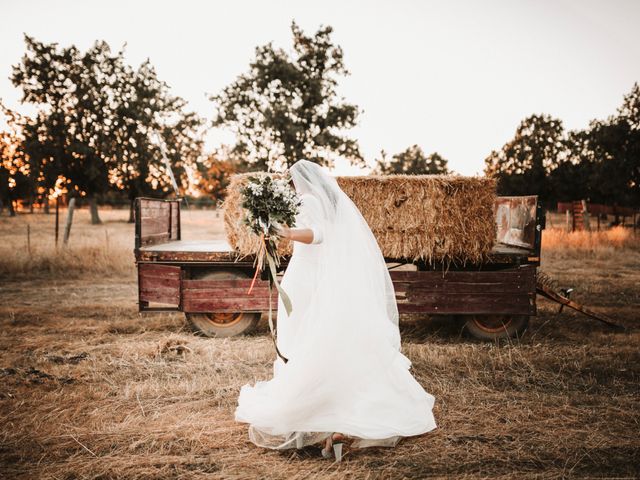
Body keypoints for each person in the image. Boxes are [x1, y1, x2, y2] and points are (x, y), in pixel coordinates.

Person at [234, 160, 436, 461]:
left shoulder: (308, 200)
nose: (291, 186)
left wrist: (283, 231)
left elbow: (318, 235)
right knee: (321, 341)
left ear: (301, 181)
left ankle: (319, 415)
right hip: (312, 274)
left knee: (303, 340)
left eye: (292, 181)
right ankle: (337, 429)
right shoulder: (324, 202)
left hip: (307, 277)